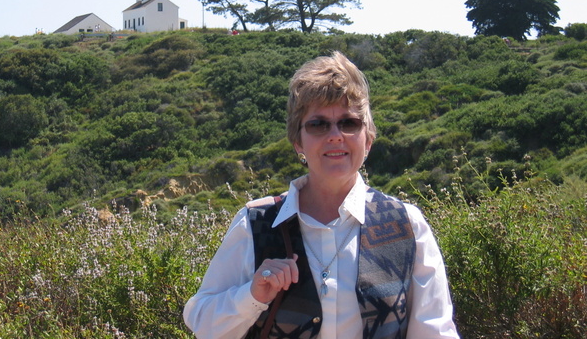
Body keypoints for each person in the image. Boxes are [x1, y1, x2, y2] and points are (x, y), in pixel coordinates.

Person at [183, 51, 459, 339]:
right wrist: (252, 295)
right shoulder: (256, 224)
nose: (335, 135)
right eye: (318, 124)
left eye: (349, 123)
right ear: (297, 142)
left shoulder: (407, 226)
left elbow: (434, 330)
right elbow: (202, 323)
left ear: (369, 140)